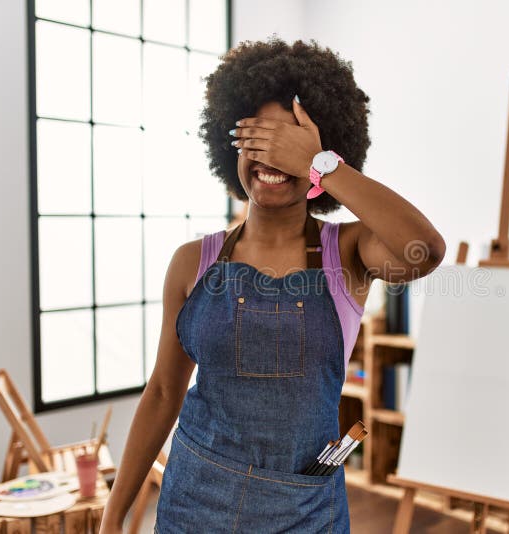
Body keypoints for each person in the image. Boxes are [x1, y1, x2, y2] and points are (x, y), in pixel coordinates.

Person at [101, 37, 446, 533]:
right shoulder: (191, 262)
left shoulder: (349, 253)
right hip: (193, 502)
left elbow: (426, 249)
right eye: (257, 139)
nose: (270, 157)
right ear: (231, 146)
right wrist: (113, 517)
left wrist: (323, 165)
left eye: (290, 143)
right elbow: (161, 393)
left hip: (303, 512)